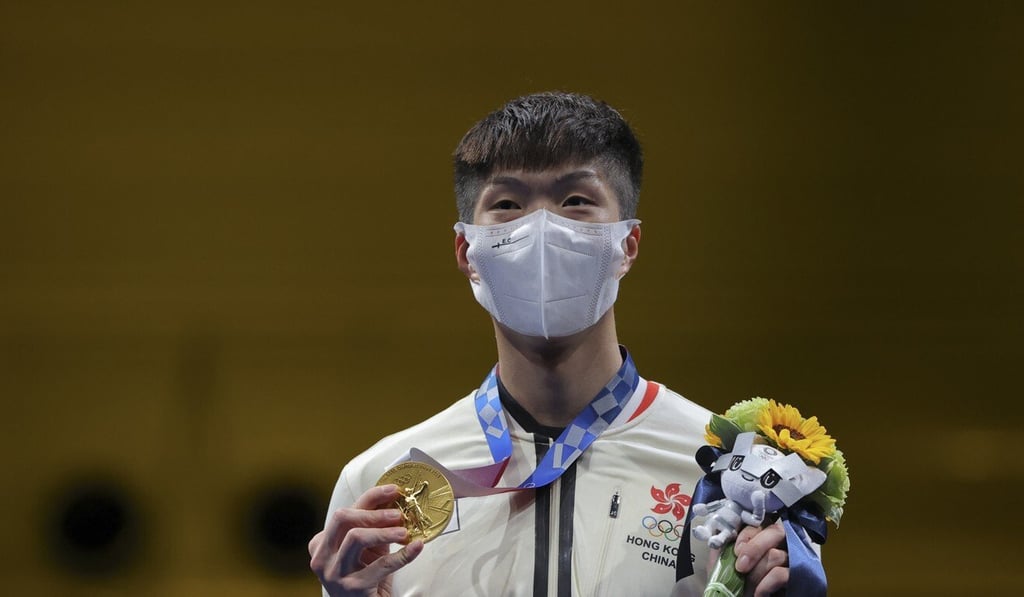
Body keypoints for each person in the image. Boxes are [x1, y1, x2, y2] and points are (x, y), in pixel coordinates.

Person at [308, 92, 794, 596]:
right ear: (467, 251)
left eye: (575, 202)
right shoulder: (378, 487)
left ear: (628, 245)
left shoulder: (729, 474)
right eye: (507, 205)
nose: (540, 228)